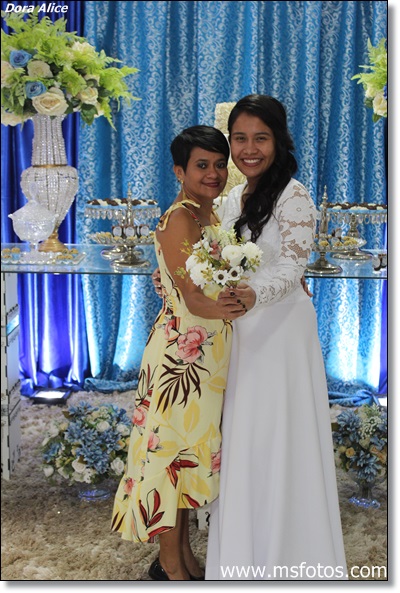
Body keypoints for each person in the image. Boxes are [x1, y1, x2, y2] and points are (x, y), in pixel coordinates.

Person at [204, 95, 347, 580]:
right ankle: (243, 563)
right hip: (241, 333)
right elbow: (212, 256)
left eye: (260, 138)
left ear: (278, 140)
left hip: (281, 332)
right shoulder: (231, 198)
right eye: (240, 138)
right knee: (245, 441)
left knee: (282, 440)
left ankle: (293, 560)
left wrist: (253, 294)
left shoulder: (294, 196)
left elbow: (291, 267)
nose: (249, 149)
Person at [111, 125, 245, 581]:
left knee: (187, 460)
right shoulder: (180, 219)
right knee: (170, 459)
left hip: (206, 355)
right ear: (179, 171)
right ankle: (170, 568)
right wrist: (247, 307)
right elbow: (193, 297)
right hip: (180, 358)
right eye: (201, 165)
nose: (213, 173)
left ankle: (183, 556)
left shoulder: (211, 214)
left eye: (219, 164)